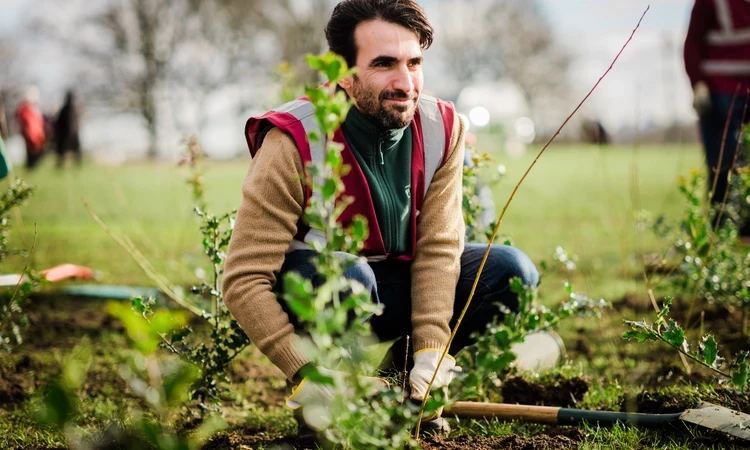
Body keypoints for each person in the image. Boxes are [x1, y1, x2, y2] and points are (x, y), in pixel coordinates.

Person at [223, 0, 541, 438]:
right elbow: (243, 278)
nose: (405, 82)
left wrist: (431, 350)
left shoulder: (442, 128)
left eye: (414, 62)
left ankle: (405, 389)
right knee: (347, 275)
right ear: (342, 72)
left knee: (510, 271)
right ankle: (323, 407)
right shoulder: (293, 139)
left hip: (397, 286)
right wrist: (305, 370)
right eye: (384, 64)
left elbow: (438, 250)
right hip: (320, 293)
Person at [684, 0, 750, 236]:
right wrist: (698, 83)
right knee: (723, 162)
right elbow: (693, 41)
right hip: (720, 90)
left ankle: (745, 231)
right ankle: (720, 231)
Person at [15, 86, 46, 170]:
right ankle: (30, 167)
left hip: (36, 134)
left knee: (37, 151)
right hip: (30, 133)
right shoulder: (25, 109)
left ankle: (32, 166)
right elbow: (25, 122)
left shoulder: (34, 109)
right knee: (30, 151)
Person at [54, 90, 83, 168]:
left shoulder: (71, 108)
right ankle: (61, 165)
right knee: (62, 152)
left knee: (73, 151)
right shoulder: (69, 109)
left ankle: (76, 165)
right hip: (68, 134)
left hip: (70, 134)